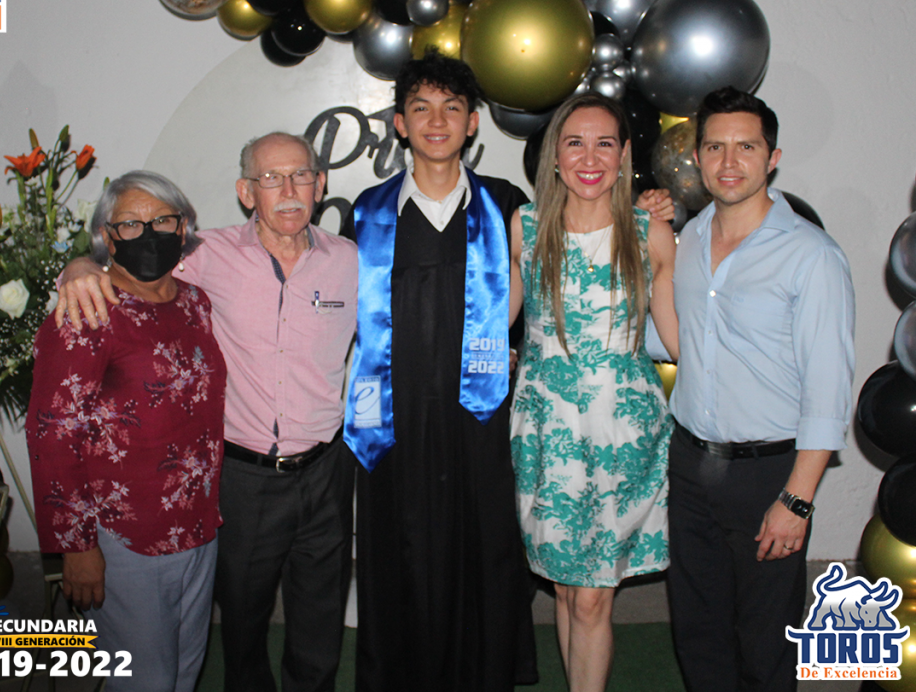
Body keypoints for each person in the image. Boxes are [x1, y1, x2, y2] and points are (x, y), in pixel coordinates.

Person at [54, 134, 358, 692]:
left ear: (320, 184)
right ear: (246, 192)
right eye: (271, 179)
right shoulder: (204, 255)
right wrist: (76, 267)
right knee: (241, 624)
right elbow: (119, 263)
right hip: (244, 477)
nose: (289, 190)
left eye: (301, 175)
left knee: (320, 623)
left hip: (326, 473)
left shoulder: (351, 261)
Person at [343, 50, 537, 692]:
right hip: (390, 412)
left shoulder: (505, 205)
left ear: (472, 122)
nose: (436, 120)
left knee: (481, 544)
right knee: (396, 545)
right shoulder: (368, 213)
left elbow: (550, 279)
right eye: (421, 107)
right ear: (400, 123)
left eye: (452, 107)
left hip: (475, 412)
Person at [666, 86, 855, 692]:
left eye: (745, 147)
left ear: (772, 158)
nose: (729, 162)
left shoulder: (812, 256)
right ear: (697, 156)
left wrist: (796, 500)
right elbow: (676, 341)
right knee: (698, 633)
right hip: (690, 465)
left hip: (769, 474)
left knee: (766, 642)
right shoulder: (690, 239)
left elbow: (829, 389)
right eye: (715, 147)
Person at [27, 171, 227, 692]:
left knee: (184, 671)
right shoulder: (86, 311)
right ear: (106, 237)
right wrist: (76, 546)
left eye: (162, 220)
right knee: (144, 681)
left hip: (197, 525)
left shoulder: (195, 302)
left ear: (183, 227)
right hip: (126, 536)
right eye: (131, 224)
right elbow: (51, 434)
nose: (149, 233)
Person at [508, 93, 679, 692]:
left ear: (624, 155)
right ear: (554, 156)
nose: (589, 157)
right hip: (546, 435)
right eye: (575, 143)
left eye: (604, 143)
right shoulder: (526, 227)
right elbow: (493, 325)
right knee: (565, 588)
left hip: (622, 436)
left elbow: (682, 342)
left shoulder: (650, 233)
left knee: (590, 597)